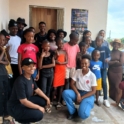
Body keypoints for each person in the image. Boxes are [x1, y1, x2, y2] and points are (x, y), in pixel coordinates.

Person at [7, 58, 50, 124]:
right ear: (23, 68)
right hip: (15, 107)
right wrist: (39, 107)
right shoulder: (20, 81)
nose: (32, 68)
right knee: (39, 114)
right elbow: (23, 101)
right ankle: (17, 120)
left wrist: (47, 98)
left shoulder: (30, 77)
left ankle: (24, 117)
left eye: (33, 66)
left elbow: (37, 90)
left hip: (25, 100)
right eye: (29, 66)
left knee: (43, 101)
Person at [62, 54, 97, 120]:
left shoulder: (92, 76)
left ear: (89, 64)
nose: (84, 65)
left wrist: (82, 97)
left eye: (85, 63)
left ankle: (88, 104)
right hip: (78, 92)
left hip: (88, 95)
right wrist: (78, 94)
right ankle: (73, 112)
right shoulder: (77, 71)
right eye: (82, 63)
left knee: (83, 115)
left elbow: (93, 91)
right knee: (65, 93)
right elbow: (72, 84)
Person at [52, 38, 67, 109]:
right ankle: (51, 101)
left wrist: (60, 63)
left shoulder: (64, 52)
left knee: (61, 87)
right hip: (56, 71)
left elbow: (67, 61)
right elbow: (54, 60)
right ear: (56, 44)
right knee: (54, 87)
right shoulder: (55, 52)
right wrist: (56, 56)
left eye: (62, 43)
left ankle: (58, 101)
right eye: (59, 43)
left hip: (62, 71)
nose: (61, 45)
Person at [95, 36, 110, 107]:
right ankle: (97, 97)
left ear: (102, 41)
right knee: (98, 82)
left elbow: (110, 56)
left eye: (99, 41)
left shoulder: (106, 48)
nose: (98, 42)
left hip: (104, 68)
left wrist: (108, 59)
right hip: (97, 68)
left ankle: (105, 99)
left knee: (104, 82)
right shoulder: (95, 49)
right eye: (96, 41)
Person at [108, 39, 124, 106]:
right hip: (111, 71)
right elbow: (107, 62)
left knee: (117, 87)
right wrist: (115, 62)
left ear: (119, 45)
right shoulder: (110, 52)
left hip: (118, 72)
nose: (116, 45)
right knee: (111, 86)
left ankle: (117, 102)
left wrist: (112, 62)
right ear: (113, 45)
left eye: (117, 44)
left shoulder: (121, 53)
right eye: (114, 44)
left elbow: (121, 63)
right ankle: (111, 99)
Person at [0, 33, 9, 123]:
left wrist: (2, 61)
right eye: (1, 40)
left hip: (4, 74)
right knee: (0, 95)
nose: (2, 42)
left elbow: (7, 62)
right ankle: (0, 114)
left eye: (3, 40)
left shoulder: (3, 50)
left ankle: (6, 114)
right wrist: (3, 51)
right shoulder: (2, 50)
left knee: (6, 94)